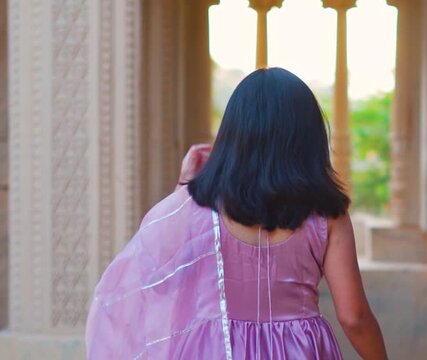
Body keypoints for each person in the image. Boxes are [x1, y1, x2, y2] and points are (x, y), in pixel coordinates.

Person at [85, 67, 388, 359]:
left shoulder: (197, 207)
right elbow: (353, 317)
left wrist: (184, 187)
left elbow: (158, 272)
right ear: (309, 137)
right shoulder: (327, 215)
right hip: (300, 350)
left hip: (215, 350)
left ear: (233, 135)